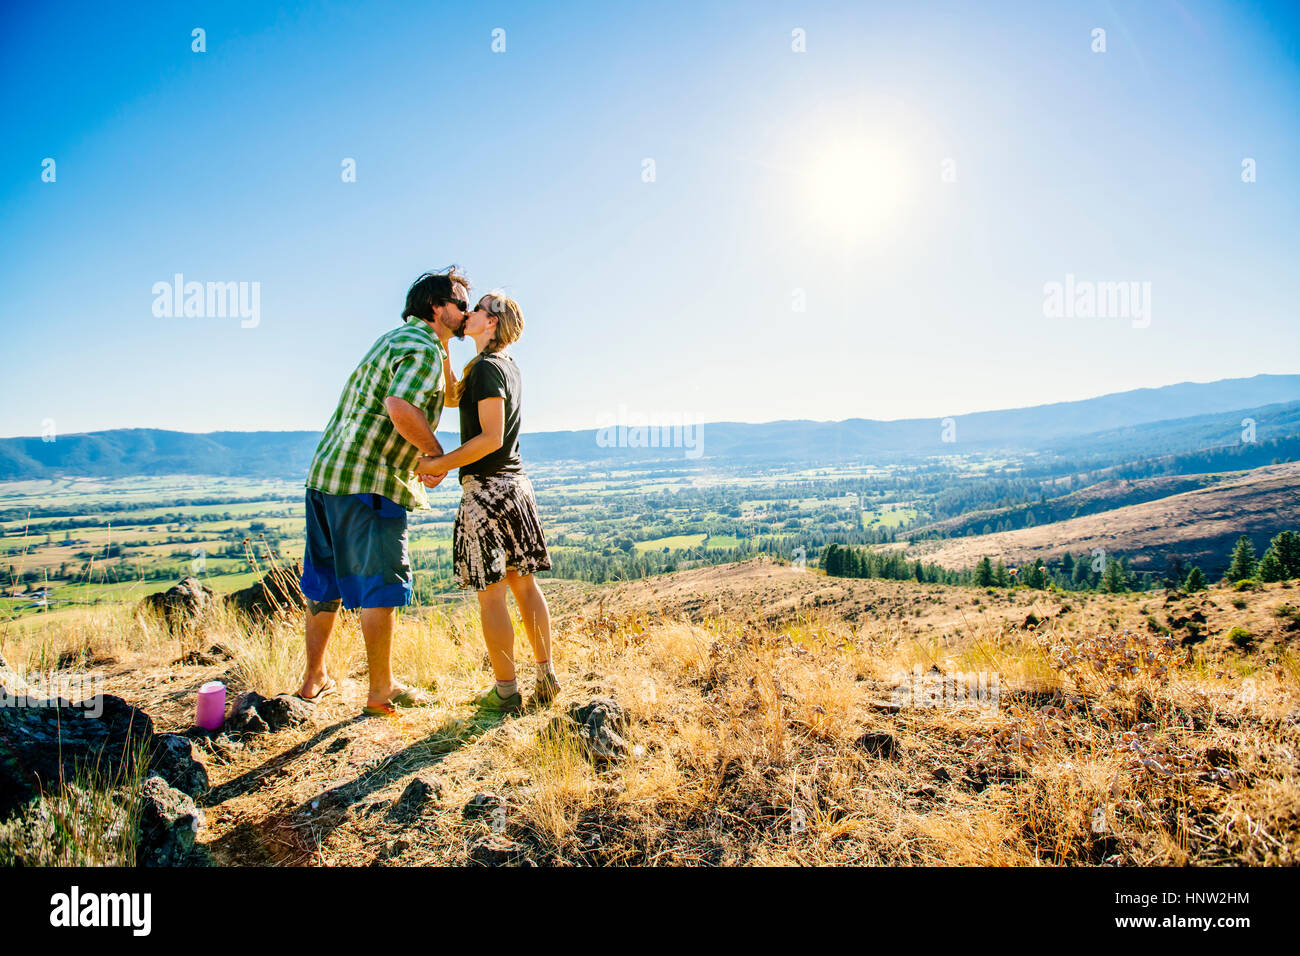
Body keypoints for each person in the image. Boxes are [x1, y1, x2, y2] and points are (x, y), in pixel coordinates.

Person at [296, 267, 467, 716]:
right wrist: (434, 455)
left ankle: (314, 677)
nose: (467, 313)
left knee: (324, 580)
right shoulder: (423, 348)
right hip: (370, 482)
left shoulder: (396, 339)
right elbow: (400, 405)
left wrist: (447, 346)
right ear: (437, 307)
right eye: (461, 304)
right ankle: (381, 690)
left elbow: (446, 396)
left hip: (327, 476)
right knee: (382, 585)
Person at [415, 293, 556, 713]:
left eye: (478, 308)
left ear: (491, 323)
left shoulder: (488, 369)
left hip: (488, 491)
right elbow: (456, 397)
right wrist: (442, 349)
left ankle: (507, 692)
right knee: (523, 585)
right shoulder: (500, 368)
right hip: (515, 487)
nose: (470, 313)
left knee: (492, 595)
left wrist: (439, 462)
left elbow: (490, 437)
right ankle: (546, 676)